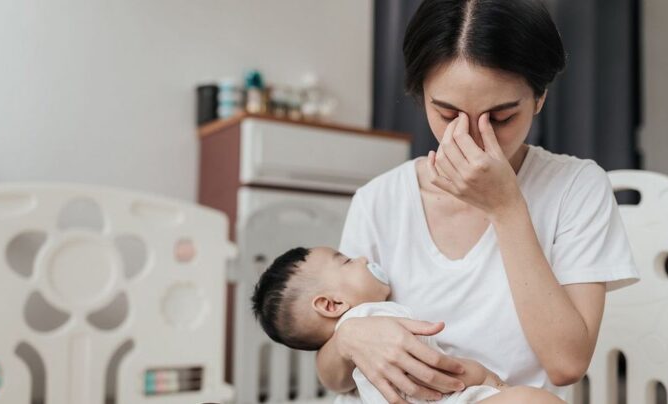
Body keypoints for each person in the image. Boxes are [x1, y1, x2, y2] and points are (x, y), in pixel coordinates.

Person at [317, 0, 640, 402]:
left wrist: (505, 208)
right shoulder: (380, 199)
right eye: (448, 115)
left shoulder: (576, 187)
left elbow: (566, 364)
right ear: (422, 97)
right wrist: (350, 338)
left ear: (539, 98)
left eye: (501, 118)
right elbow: (332, 376)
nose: (470, 139)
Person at [251, 246, 565, 403]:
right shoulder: (373, 319)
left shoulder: (355, 351)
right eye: (346, 261)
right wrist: (487, 378)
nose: (362, 259)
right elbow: (442, 372)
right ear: (332, 305)